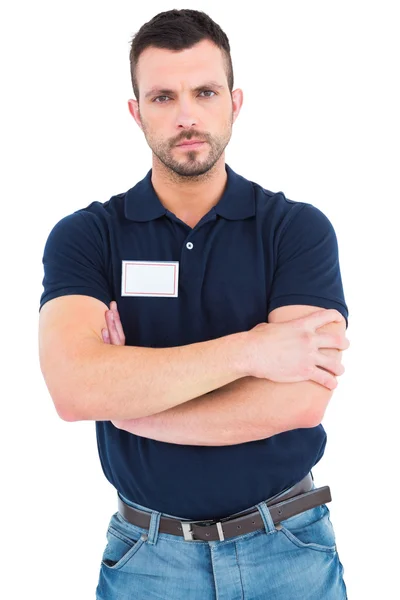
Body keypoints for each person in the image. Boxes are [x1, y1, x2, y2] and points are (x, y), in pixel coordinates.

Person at [38, 8, 350, 600]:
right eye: (162, 97)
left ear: (234, 102)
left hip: (290, 549)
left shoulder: (296, 231)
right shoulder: (88, 237)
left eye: (204, 92)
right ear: (135, 112)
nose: (186, 116)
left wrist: (130, 405)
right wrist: (252, 350)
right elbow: (76, 388)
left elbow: (300, 401)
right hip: (147, 559)